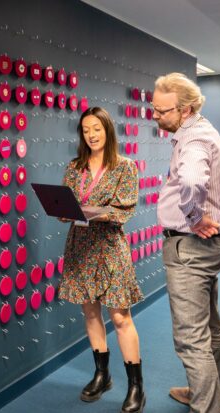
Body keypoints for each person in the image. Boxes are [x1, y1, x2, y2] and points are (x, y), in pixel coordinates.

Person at [152, 72, 220, 413]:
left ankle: (208, 407)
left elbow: (191, 179)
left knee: (191, 338)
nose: (155, 116)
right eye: (153, 108)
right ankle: (210, 396)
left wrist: (192, 216)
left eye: (162, 111)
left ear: (185, 111)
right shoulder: (202, 131)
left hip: (191, 249)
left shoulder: (195, 139)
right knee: (209, 328)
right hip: (210, 247)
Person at [60, 107, 145, 413]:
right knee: (90, 312)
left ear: (108, 130)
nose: (92, 135)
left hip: (109, 247)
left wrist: (91, 211)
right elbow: (65, 205)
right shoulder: (75, 167)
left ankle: (136, 386)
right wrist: (62, 208)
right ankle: (102, 374)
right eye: (85, 130)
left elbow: (123, 210)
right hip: (80, 246)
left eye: (97, 128)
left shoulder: (125, 167)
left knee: (121, 317)